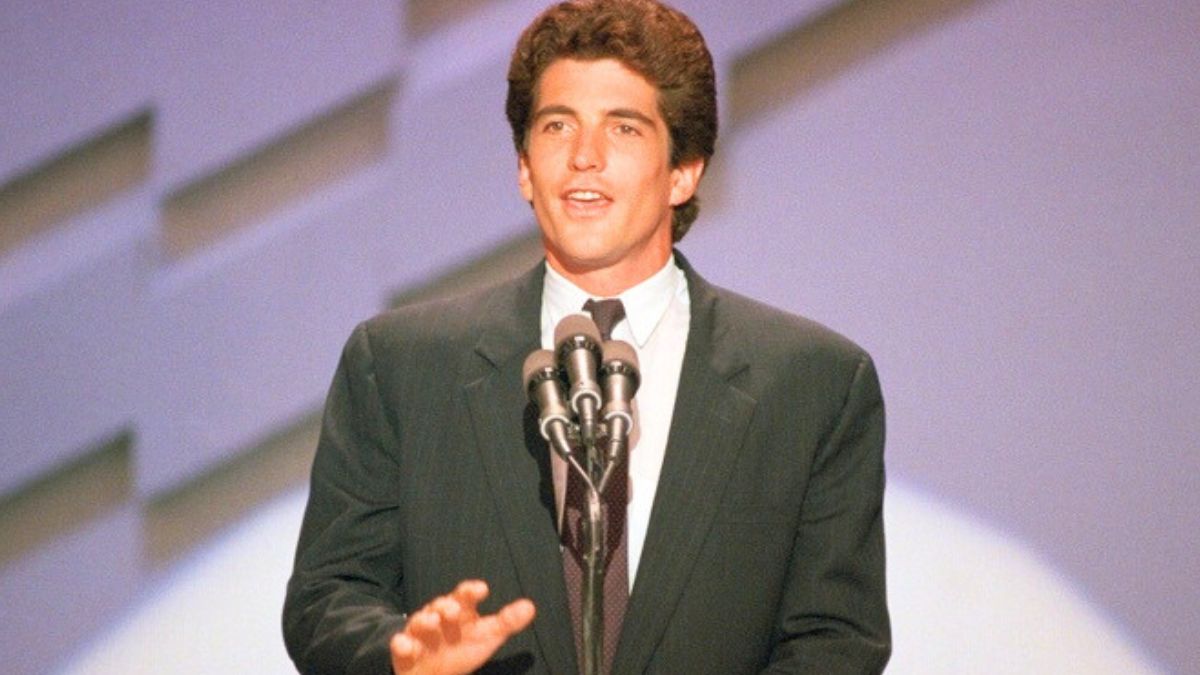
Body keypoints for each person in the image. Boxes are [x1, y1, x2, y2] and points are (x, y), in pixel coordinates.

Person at [282, 1, 890, 673]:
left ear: (684, 171)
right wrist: (402, 658)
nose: (583, 157)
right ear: (523, 168)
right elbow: (325, 601)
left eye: (623, 128)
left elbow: (836, 641)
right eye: (556, 126)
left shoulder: (813, 384)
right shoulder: (399, 367)